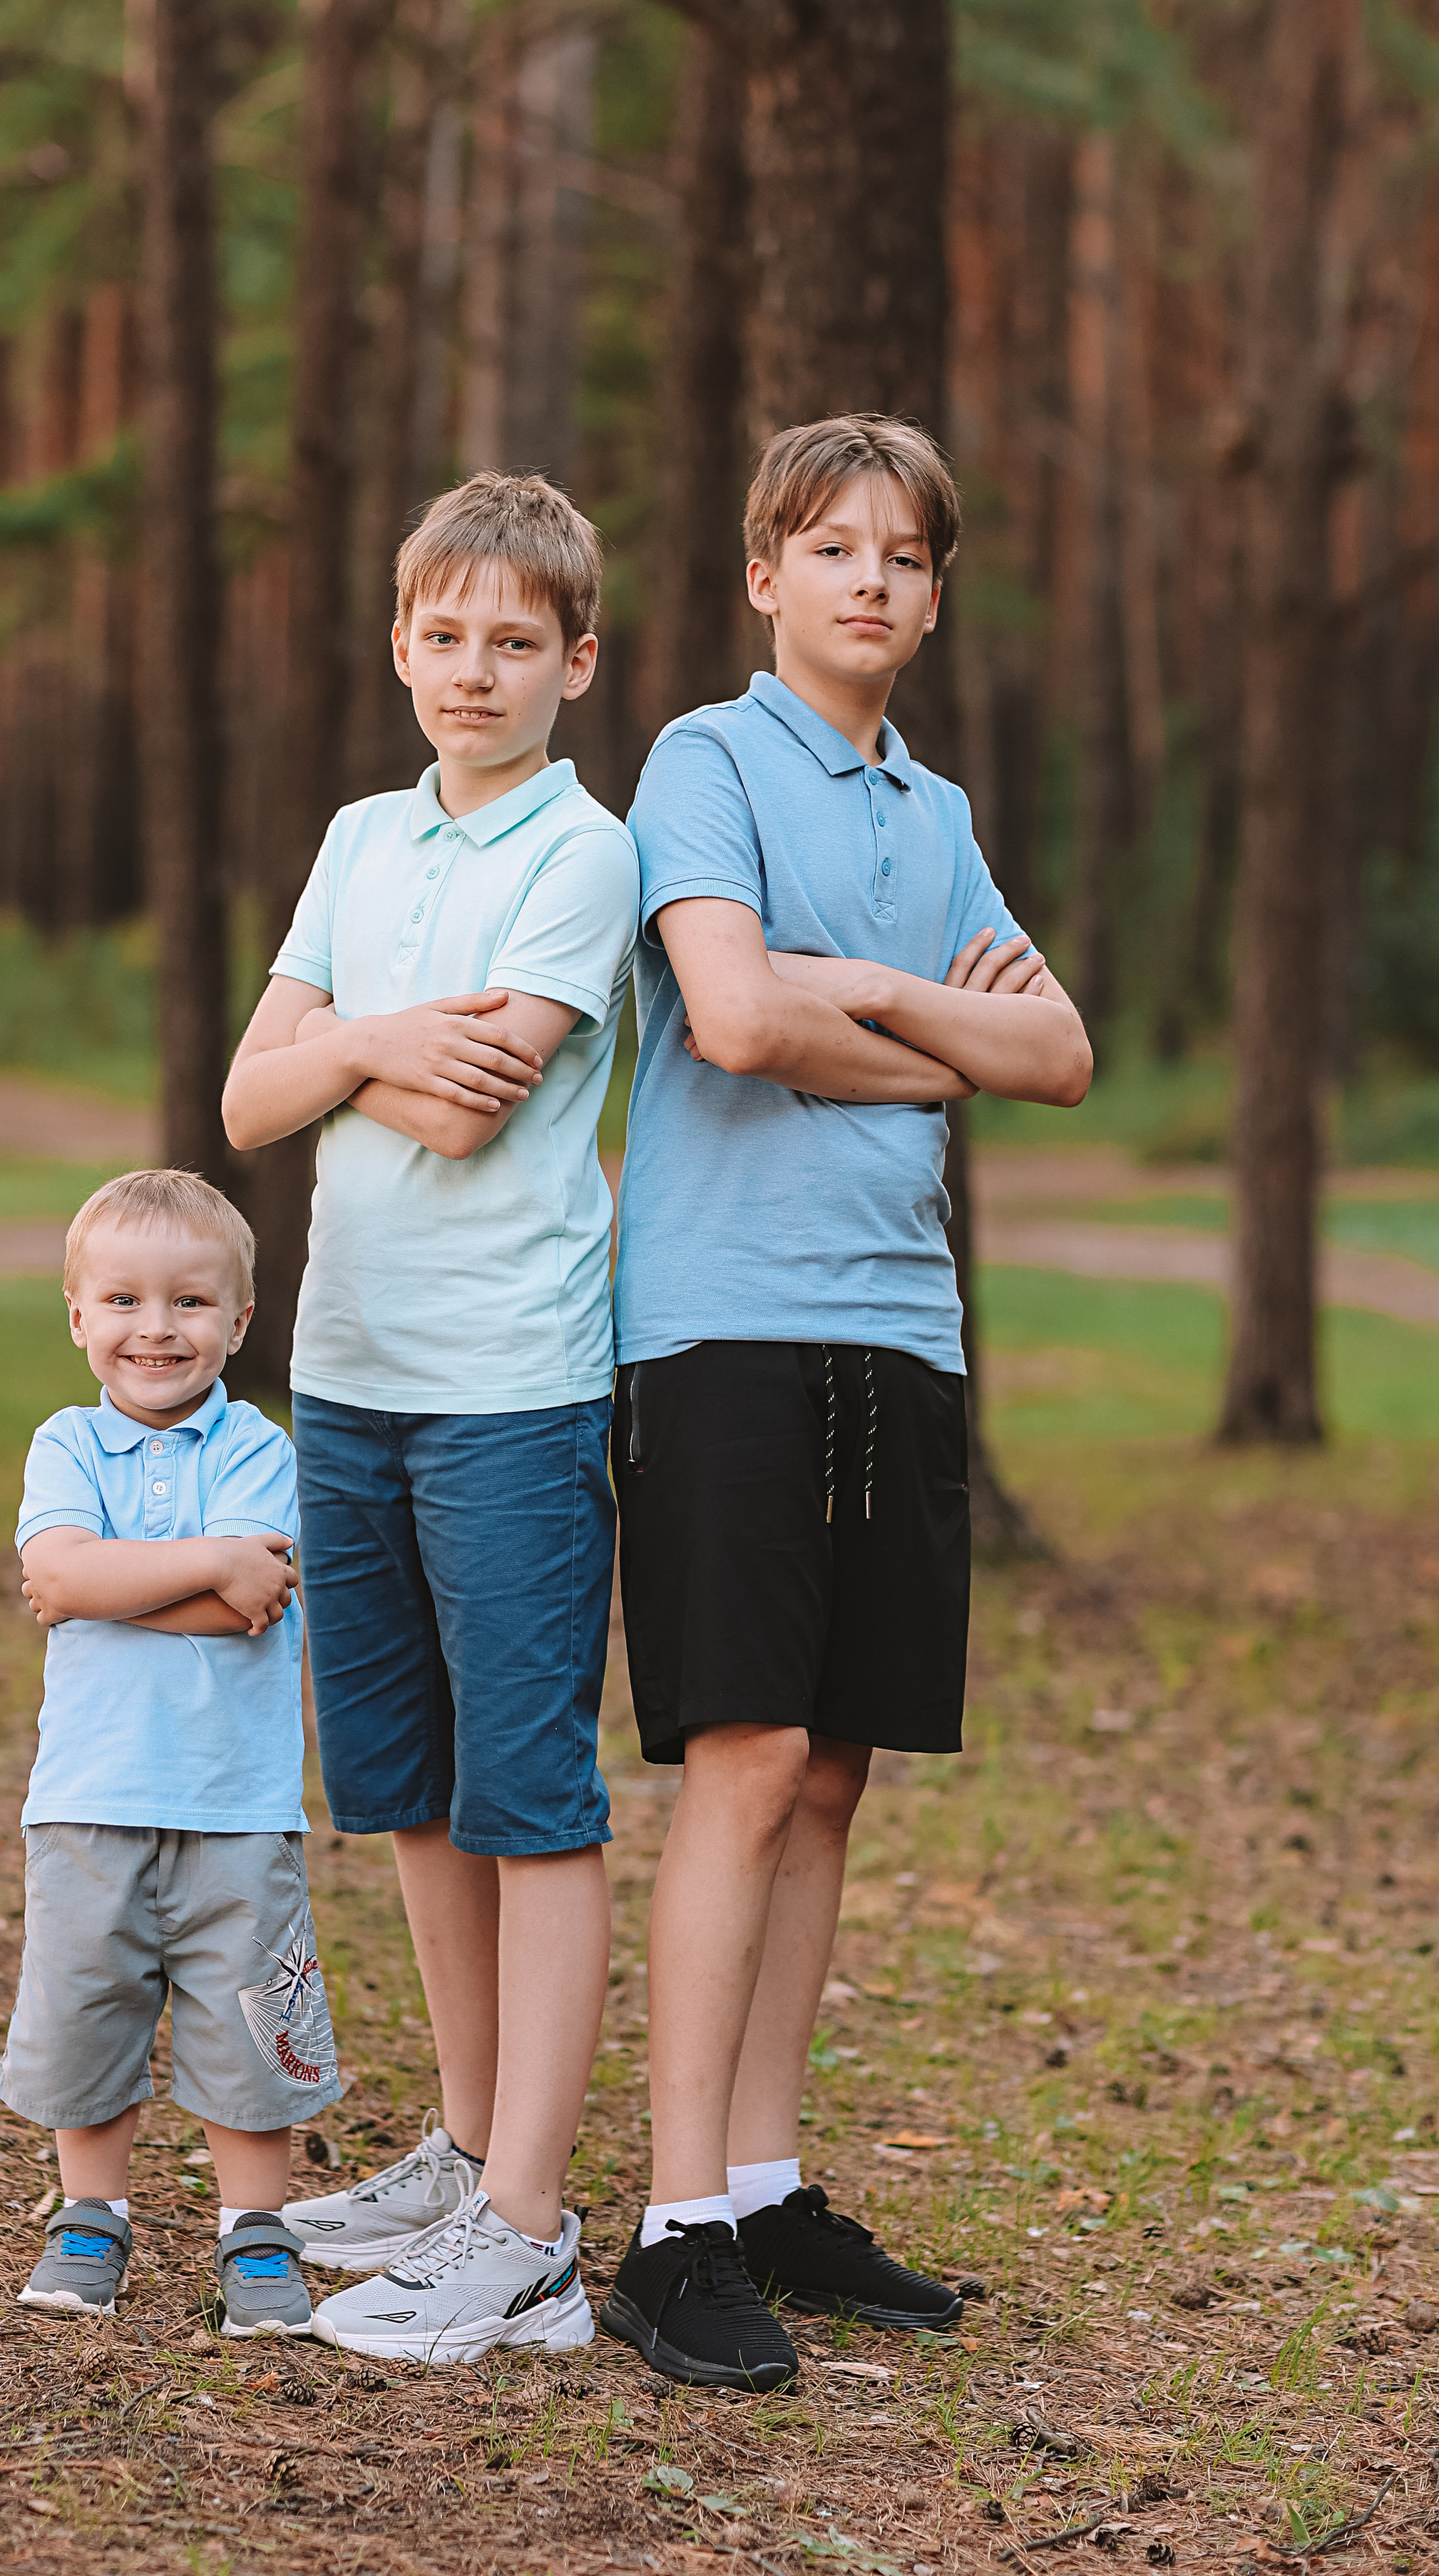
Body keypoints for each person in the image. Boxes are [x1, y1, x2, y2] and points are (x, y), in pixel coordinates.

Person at [600, 414, 1094, 2392]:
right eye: (832, 548)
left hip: (903, 1327)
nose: (870, 580)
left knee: (834, 1769)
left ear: (933, 593)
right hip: (724, 1320)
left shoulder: (939, 809)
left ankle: (770, 2183)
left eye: (904, 556)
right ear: (763, 577)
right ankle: (668, 2224)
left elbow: (1052, 1053)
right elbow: (727, 1016)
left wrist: (866, 1004)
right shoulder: (703, 764)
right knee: (744, 1750)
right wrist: (920, 1020)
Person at [222, 471, 639, 2364]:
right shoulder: (359, 837)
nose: (475, 670)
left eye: (514, 642)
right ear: (401, 646)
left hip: (511, 1387)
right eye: (444, 636)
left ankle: (532, 2237)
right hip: (350, 1374)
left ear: (577, 661)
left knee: (529, 1801)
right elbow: (245, 1103)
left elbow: (475, 1114)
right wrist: (381, 1038)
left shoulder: (584, 853)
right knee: (401, 1791)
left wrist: (334, 1062)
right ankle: (467, 2151)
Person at [0, 1170, 338, 2332]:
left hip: (238, 1804)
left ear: (241, 1321)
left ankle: (255, 2232)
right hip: (89, 1796)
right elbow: (58, 1575)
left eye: (191, 1303)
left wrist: (105, 1586)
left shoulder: (259, 1445)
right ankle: (91, 2211)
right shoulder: (66, 1443)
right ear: (79, 1314)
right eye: (127, 1301)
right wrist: (199, 1567)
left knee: (249, 2019)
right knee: (89, 2003)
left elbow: (250, 1599)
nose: (158, 1329)